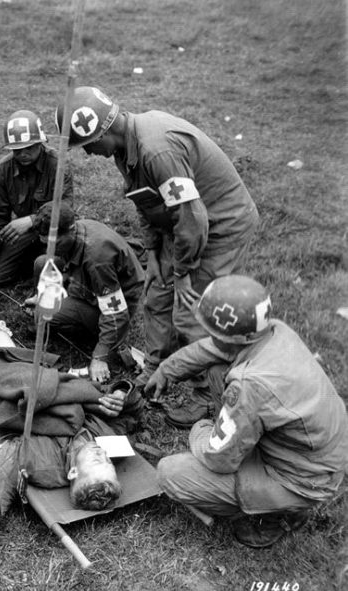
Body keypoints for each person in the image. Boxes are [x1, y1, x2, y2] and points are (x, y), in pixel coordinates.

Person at [56, 86, 260, 426]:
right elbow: (146, 203)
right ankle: (154, 369)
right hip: (179, 225)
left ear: (104, 130)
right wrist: (153, 255)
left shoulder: (155, 151)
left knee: (195, 315)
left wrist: (182, 273)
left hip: (219, 226)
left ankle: (208, 397)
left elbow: (194, 220)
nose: (89, 154)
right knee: (156, 297)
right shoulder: (126, 148)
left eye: (88, 145)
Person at [148, 275, 348, 548]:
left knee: (170, 472)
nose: (209, 337)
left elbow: (218, 461)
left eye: (215, 333)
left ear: (239, 338)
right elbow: (211, 349)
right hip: (314, 449)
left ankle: (278, 514)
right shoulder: (274, 330)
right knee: (218, 369)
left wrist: (202, 432)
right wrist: (166, 370)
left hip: (303, 479)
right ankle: (233, 435)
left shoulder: (250, 386)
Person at [26, 202, 145, 383]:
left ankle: (91, 329)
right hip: (88, 283)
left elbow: (116, 313)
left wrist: (99, 357)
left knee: (44, 314)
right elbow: (68, 262)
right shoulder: (76, 233)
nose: (51, 248)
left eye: (55, 242)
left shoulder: (97, 260)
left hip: (118, 301)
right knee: (42, 263)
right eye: (47, 242)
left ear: (71, 229)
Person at [0, 110, 73, 286]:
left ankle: (49, 266)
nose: (23, 154)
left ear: (41, 143)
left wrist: (32, 220)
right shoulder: (3, 170)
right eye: (17, 150)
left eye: (30, 147)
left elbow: (65, 208)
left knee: (61, 266)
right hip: (25, 233)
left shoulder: (58, 165)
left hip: (55, 231)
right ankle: (32, 265)